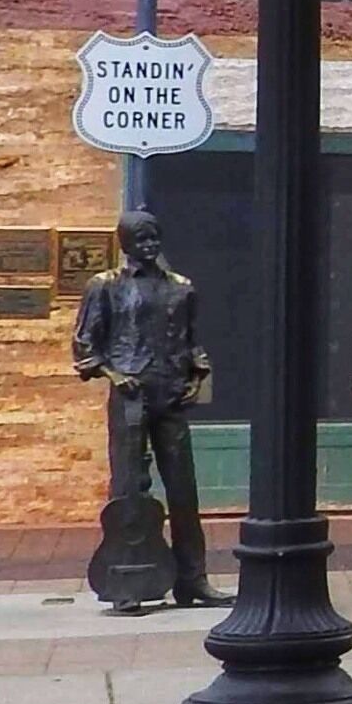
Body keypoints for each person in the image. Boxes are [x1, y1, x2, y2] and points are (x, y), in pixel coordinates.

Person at [71, 210, 222, 610]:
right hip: (130, 396)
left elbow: (191, 340)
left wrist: (196, 376)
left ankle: (193, 578)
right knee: (127, 487)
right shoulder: (105, 286)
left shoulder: (180, 288)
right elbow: (85, 343)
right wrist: (114, 374)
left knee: (184, 490)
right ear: (125, 244)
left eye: (154, 237)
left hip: (170, 394)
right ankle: (127, 582)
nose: (150, 245)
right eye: (141, 239)